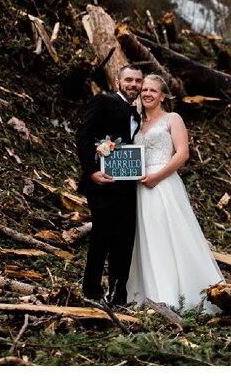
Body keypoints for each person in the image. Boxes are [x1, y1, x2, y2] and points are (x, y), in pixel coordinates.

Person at [126, 74, 224, 312]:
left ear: (162, 96)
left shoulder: (172, 118)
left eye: (153, 91)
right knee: (145, 237)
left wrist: (157, 177)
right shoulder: (136, 122)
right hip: (140, 186)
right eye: (145, 90)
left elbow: (182, 154)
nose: (147, 93)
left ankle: (175, 295)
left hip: (163, 184)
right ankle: (147, 293)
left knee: (167, 235)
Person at [74, 65, 143, 306]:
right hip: (103, 184)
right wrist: (92, 171)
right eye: (129, 80)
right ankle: (91, 292)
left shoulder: (137, 113)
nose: (133, 84)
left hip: (129, 187)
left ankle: (117, 294)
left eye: (137, 81)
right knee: (101, 238)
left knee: (123, 242)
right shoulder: (104, 101)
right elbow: (83, 136)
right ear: (118, 81)